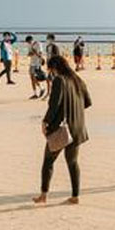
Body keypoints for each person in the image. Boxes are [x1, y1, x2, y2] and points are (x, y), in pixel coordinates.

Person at [33, 54, 92, 205]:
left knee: (48, 161)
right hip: (78, 127)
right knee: (72, 162)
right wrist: (73, 109)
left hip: (62, 128)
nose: (51, 73)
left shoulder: (59, 80)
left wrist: (45, 122)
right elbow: (87, 102)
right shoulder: (78, 80)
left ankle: (43, 195)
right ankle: (75, 196)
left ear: (54, 68)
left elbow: (54, 105)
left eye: (51, 70)